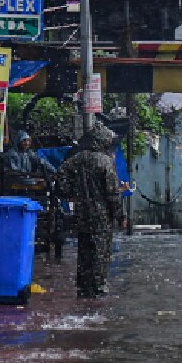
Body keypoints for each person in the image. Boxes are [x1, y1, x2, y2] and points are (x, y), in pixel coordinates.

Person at [56, 124, 125, 298]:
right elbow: (112, 193)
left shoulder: (78, 158)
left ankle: (83, 288)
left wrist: (69, 192)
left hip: (82, 214)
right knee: (100, 253)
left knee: (84, 252)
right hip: (101, 217)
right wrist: (121, 215)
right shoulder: (106, 161)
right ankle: (98, 289)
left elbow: (61, 173)